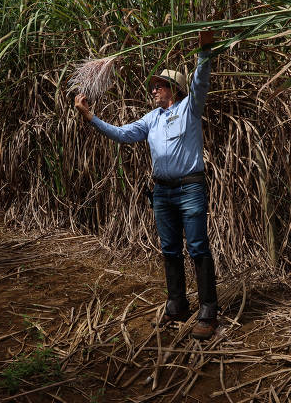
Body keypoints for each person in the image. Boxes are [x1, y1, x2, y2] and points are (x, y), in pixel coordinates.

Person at [74, 30, 219, 340]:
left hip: (190, 188)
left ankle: (208, 309)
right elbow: (123, 134)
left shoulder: (189, 109)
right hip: (163, 192)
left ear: (174, 89)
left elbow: (200, 81)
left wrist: (204, 54)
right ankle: (177, 304)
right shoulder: (151, 119)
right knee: (169, 249)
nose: (153, 89)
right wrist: (90, 117)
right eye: (153, 86)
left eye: (159, 85)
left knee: (197, 247)